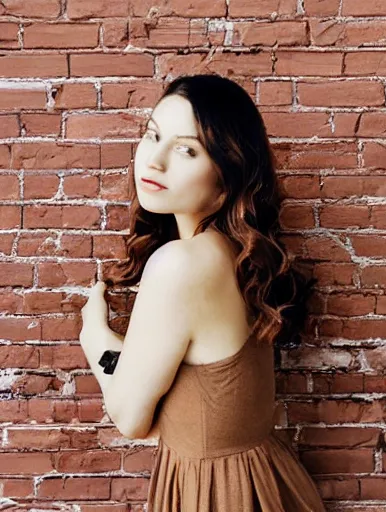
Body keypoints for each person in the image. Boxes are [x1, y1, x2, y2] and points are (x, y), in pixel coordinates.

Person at [82, 73, 325, 511]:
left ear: (226, 175)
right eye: (153, 135)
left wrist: (95, 337)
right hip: (264, 481)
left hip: (216, 494)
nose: (153, 161)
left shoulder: (181, 265)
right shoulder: (237, 252)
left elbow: (130, 417)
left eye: (186, 150)